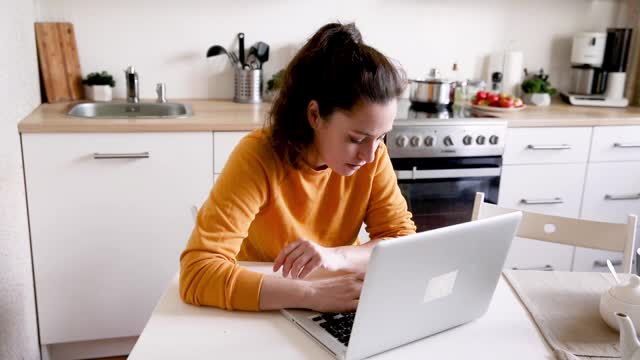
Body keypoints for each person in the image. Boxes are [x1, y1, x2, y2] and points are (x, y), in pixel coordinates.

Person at [179, 22, 416, 313]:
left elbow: (402, 243)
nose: (369, 155)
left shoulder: (373, 155)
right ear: (315, 115)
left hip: (336, 298)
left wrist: (336, 257)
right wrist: (310, 293)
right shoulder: (258, 156)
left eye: (381, 137)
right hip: (266, 302)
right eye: (356, 138)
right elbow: (198, 272)